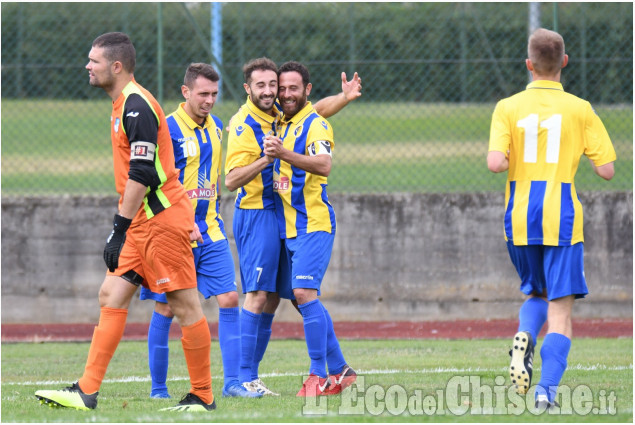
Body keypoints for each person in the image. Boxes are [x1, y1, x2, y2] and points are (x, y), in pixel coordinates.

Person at [35, 32, 216, 412]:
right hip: (141, 223)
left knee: (184, 306)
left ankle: (202, 395)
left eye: (94, 61)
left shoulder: (136, 105)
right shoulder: (121, 104)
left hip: (161, 222)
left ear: (116, 66)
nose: (88, 66)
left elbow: (142, 172)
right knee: (110, 295)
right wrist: (125, 227)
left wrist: (118, 227)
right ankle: (86, 391)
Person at [487, 28, 616, 410]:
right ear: (564, 62)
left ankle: (525, 334)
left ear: (528, 65)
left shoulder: (507, 107)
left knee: (535, 293)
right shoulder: (580, 108)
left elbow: (495, 163)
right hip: (561, 216)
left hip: (520, 216)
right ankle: (546, 392)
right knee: (560, 307)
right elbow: (607, 169)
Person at [225, 57, 361, 396]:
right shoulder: (254, 123)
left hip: (303, 222)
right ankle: (244, 379)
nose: (278, 93)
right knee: (272, 297)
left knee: (294, 296)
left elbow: (318, 128)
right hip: (266, 219)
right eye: (271, 86)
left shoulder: (290, 121)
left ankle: (323, 373)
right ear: (248, 89)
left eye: (283, 87)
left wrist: (343, 98)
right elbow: (229, 180)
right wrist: (268, 158)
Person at [138, 63, 260, 399]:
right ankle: (158, 389)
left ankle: (233, 383)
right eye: (203, 94)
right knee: (166, 308)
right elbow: (156, 183)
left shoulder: (218, 128)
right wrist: (180, 222)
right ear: (185, 92)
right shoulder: (168, 129)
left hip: (210, 230)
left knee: (230, 298)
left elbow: (211, 178)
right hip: (174, 233)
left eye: (214, 94)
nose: (209, 100)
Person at [262, 61, 357, 397]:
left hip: (313, 224)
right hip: (288, 228)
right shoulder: (284, 119)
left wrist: (285, 154)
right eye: (282, 88)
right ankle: (342, 370)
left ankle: (318, 376)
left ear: (306, 90)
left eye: (293, 89)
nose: (286, 94)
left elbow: (324, 164)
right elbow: (318, 107)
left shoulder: (315, 127)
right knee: (300, 300)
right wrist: (344, 98)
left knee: (304, 294)